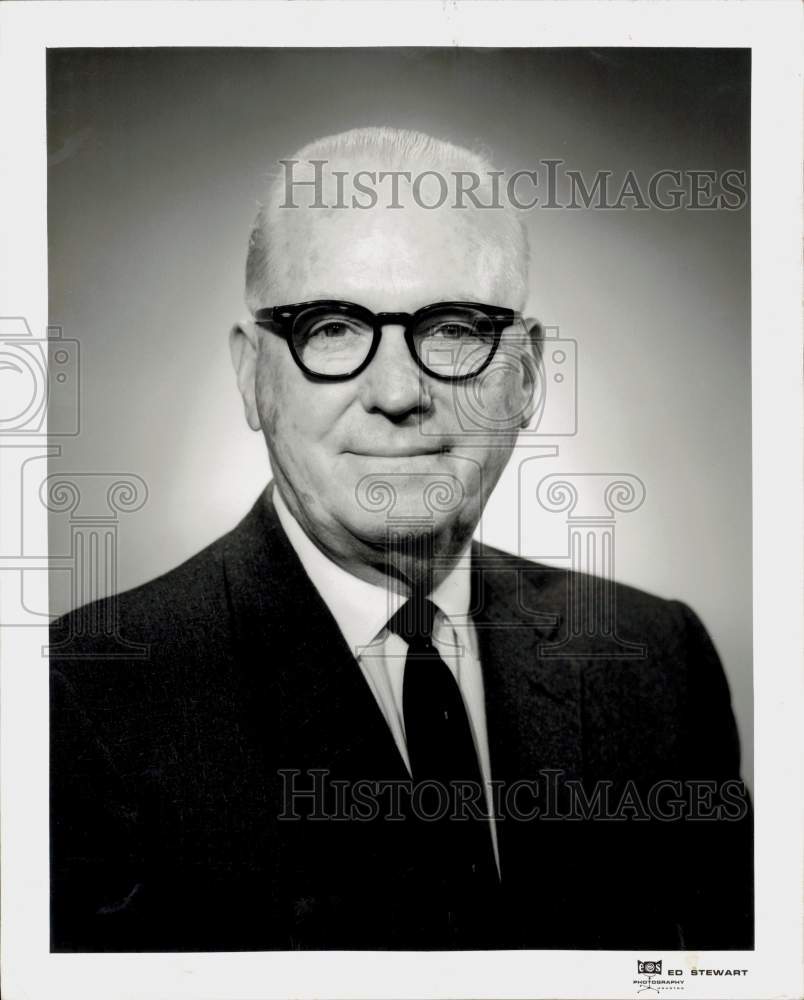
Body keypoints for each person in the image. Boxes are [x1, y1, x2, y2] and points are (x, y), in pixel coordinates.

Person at [50, 127, 753, 952]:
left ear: (525, 376)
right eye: (333, 328)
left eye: (454, 327)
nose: (397, 392)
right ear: (252, 378)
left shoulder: (657, 661)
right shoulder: (86, 703)